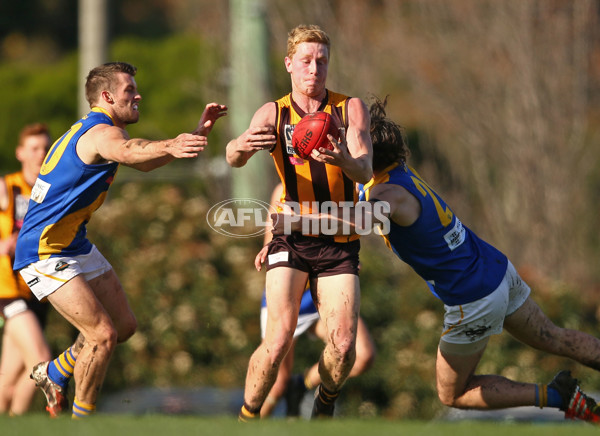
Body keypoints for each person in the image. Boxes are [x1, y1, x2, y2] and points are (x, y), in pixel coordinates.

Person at [268, 96, 600, 423]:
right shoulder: (395, 174)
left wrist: (295, 222)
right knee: (554, 336)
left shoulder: (388, 195)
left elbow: (358, 221)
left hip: (473, 296)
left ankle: (558, 395)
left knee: (452, 394)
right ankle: (564, 391)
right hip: (496, 269)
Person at [13, 62, 227, 419]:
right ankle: (83, 423)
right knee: (101, 335)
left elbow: (142, 161)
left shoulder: (102, 131)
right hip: (43, 250)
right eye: (130, 90)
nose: (138, 95)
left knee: (123, 326)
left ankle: (54, 373)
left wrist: (190, 136)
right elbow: (131, 151)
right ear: (108, 97)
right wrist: (172, 143)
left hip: (72, 243)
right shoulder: (101, 132)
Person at [226, 24, 373, 420]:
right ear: (289, 63)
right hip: (291, 235)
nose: (314, 69)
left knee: (344, 347)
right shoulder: (273, 112)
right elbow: (232, 156)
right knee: (276, 341)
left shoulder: (349, 108)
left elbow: (364, 171)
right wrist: (239, 146)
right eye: (306, 61)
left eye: (322, 61)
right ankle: (247, 415)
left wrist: (341, 158)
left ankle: (322, 405)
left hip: (339, 239)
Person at [257, 183, 375, 418]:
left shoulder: (349, 184)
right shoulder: (284, 186)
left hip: (325, 293)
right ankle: (246, 426)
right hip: (292, 294)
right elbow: (271, 244)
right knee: (277, 383)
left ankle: (302, 385)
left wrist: (343, 260)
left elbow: (354, 227)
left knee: (361, 355)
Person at [0, 123, 53, 416]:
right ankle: (18, 426)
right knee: (42, 363)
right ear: (20, 153)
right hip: (7, 291)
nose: (40, 154)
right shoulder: (8, 187)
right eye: (34, 148)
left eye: (45, 148)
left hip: (38, 292)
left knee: (7, 381)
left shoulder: (50, 192)